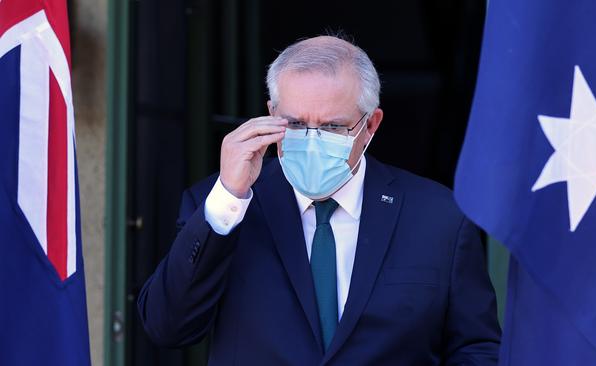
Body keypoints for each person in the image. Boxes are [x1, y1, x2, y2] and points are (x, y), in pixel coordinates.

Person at [138, 35, 501, 365]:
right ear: (270, 115)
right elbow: (168, 328)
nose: (312, 140)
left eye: (332, 127)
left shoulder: (438, 216)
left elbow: (475, 348)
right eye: (294, 125)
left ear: (370, 125)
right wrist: (229, 199)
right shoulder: (222, 204)